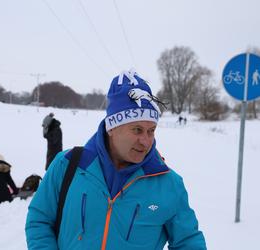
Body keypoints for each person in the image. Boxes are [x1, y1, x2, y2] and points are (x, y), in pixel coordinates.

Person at [25, 70, 206, 249]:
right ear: (112, 127)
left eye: (151, 130)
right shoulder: (67, 165)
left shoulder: (168, 184)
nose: (145, 141)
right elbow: (39, 220)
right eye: (137, 130)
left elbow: (188, 242)